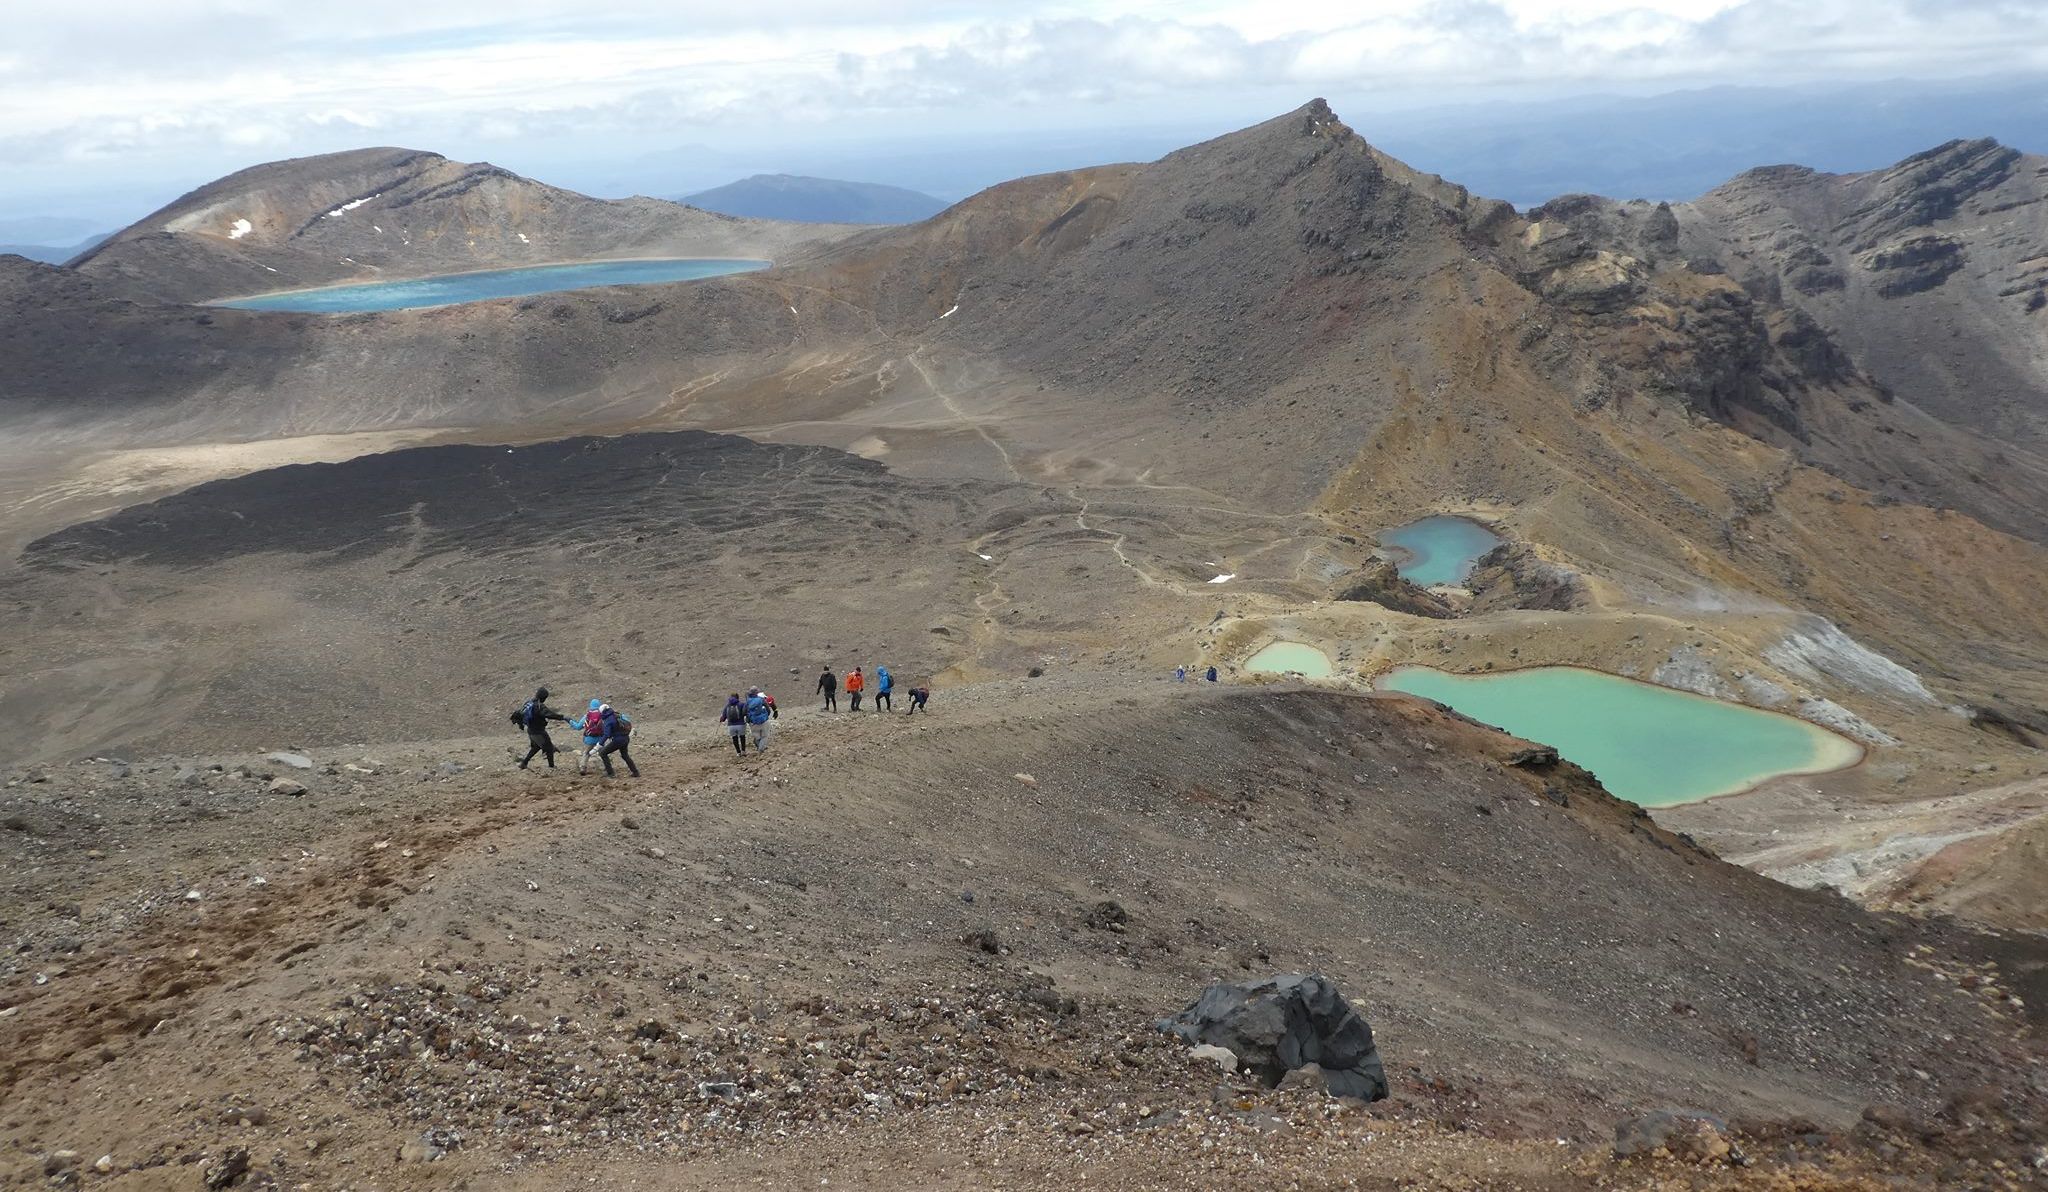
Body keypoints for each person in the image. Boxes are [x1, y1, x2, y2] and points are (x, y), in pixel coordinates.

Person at [514, 687, 572, 769]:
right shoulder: (539, 706)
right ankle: (551, 767)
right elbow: (549, 714)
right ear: (544, 697)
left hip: (530, 730)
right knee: (549, 748)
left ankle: (524, 763)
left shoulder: (528, 703)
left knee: (536, 747)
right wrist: (563, 717)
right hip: (538, 731)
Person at [595, 702, 639, 777]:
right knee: (625, 755)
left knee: (603, 753)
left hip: (618, 740)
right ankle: (635, 772)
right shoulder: (617, 714)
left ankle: (611, 773)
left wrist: (599, 744)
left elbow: (607, 734)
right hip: (625, 738)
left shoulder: (608, 720)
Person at [575, 698, 605, 774]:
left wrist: (570, 721)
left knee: (586, 753)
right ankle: (606, 767)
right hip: (600, 739)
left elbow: (578, 727)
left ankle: (583, 768)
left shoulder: (587, 716)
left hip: (589, 739)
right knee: (603, 753)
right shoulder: (602, 715)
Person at [744, 688, 774, 752]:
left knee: (757, 737)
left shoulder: (747, 702)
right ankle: (761, 749)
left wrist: (748, 719)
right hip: (763, 720)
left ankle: (759, 747)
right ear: (756, 693)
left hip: (753, 722)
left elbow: (744, 712)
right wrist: (766, 716)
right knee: (764, 736)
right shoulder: (761, 699)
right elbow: (768, 709)